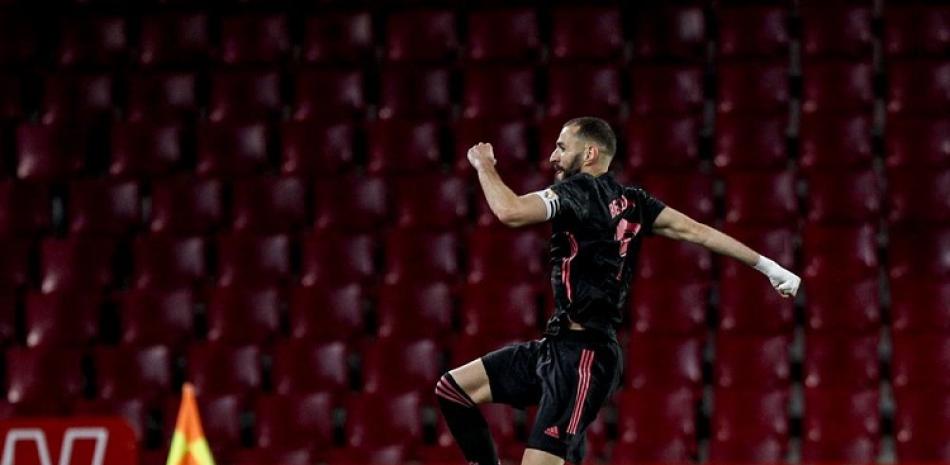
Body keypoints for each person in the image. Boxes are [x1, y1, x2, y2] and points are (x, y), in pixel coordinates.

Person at [434, 117, 801, 465]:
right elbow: (697, 230)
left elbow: (510, 211)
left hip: (584, 358)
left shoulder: (578, 190)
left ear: (590, 153)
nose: (553, 156)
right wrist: (770, 267)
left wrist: (483, 165)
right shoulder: (635, 202)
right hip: (557, 347)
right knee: (453, 389)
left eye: (562, 147)